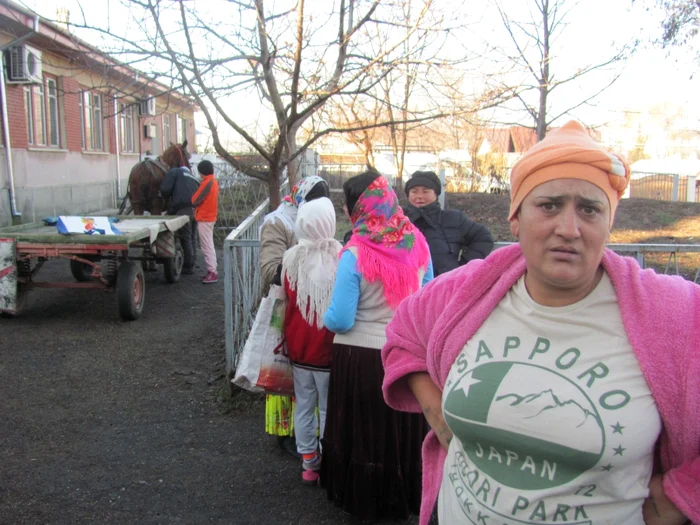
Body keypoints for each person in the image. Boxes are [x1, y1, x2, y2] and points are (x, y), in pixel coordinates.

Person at [381, 121, 699, 525]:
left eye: (590, 209)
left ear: (609, 223)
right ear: (516, 219)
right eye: (549, 205)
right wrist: (441, 418)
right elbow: (403, 335)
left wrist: (680, 498)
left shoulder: (676, 315)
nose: (569, 229)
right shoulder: (466, 291)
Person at [322, 171, 434, 520]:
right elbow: (427, 298)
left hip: (361, 359)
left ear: (356, 208)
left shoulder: (355, 252)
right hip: (407, 355)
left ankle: (365, 501)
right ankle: (406, 496)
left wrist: (324, 317)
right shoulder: (417, 243)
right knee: (402, 433)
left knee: (365, 432)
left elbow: (340, 319)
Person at [259, 176, 330, 453]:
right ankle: (285, 433)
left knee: (305, 380)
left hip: (310, 313)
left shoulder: (314, 221)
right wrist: (301, 263)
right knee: (283, 370)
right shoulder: (279, 222)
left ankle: (309, 440)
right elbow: (268, 272)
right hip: (286, 309)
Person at [281, 197, 342, 485]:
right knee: (330, 407)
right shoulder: (342, 257)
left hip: (299, 349)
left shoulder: (291, 258)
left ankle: (308, 463)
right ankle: (328, 459)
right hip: (330, 350)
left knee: (304, 404)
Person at [404, 170, 494, 276]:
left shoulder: (453, 219)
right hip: (406, 287)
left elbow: (483, 237)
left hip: (445, 286)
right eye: (414, 192)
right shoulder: (398, 219)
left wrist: (464, 268)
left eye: (425, 191)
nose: (419, 196)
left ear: (436, 194)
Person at [160, 166, 200, 274]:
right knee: (193, 236)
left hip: (184, 211)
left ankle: (188, 266)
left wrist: (169, 212)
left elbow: (165, 190)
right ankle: (193, 261)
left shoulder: (175, 172)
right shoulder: (193, 177)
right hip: (196, 210)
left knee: (185, 236)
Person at [191, 160, 219, 284]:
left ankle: (212, 272)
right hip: (209, 217)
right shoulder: (213, 181)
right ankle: (212, 271)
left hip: (204, 217)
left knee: (207, 245)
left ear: (203, 171)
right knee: (209, 245)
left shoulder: (207, 182)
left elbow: (195, 200)